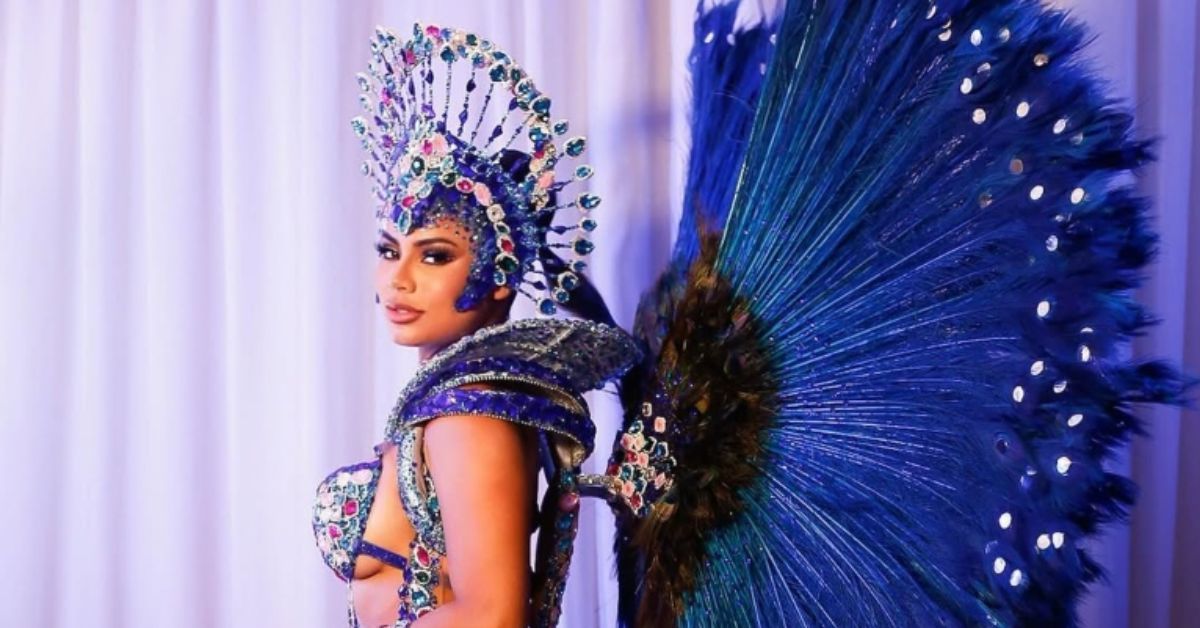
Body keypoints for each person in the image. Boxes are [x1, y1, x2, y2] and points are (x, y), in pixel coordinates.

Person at [318, 2, 1195, 626]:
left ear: (497, 278)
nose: (399, 279)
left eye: (435, 255)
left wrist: (378, 606)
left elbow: (493, 616)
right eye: (390, 249)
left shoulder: (468, 416)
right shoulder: (455, 402)